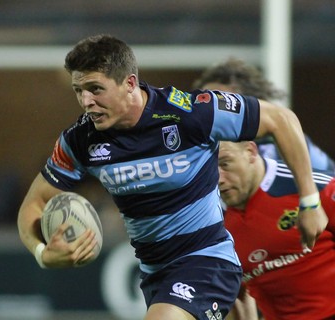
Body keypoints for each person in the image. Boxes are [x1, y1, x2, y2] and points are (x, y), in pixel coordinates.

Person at [17, 34, 327, 320]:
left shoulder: (190, 113)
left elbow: (281, 120)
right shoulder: (80, 140)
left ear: (129, 83)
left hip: (206, 260)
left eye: (96, 89)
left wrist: (310, 202)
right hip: (155, 274)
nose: (86, 101)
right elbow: (34, 203)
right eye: (79, 91)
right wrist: (43, 254)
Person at [218, 140, 335, 320]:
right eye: (208, 170)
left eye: (225, 164)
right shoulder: (213, 221)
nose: (219, 178)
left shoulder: (313, 188)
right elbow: (236, 293)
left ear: (250, 151)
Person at [193, 58, 335, 172]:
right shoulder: (191, 151)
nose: (213, 112)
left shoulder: (286, 143)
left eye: (224, 104)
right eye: (205, 102)